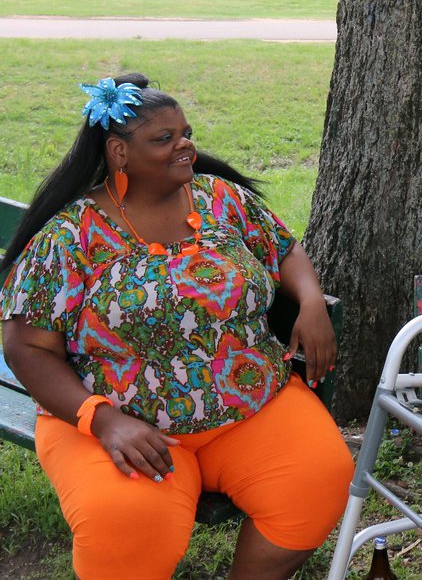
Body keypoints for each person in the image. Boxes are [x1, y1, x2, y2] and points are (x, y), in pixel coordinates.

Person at [0, 73, 354, 580]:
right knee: (126, 523)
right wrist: (103, 421)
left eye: (185, 133)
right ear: (119, 152)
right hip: (123, 420)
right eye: (164, 138)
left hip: (250, 401)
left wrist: (312, 300)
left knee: (316, 481)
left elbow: (283, 247)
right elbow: (25, 346)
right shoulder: (71, 234)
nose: (185, 145)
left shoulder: (220, 198)